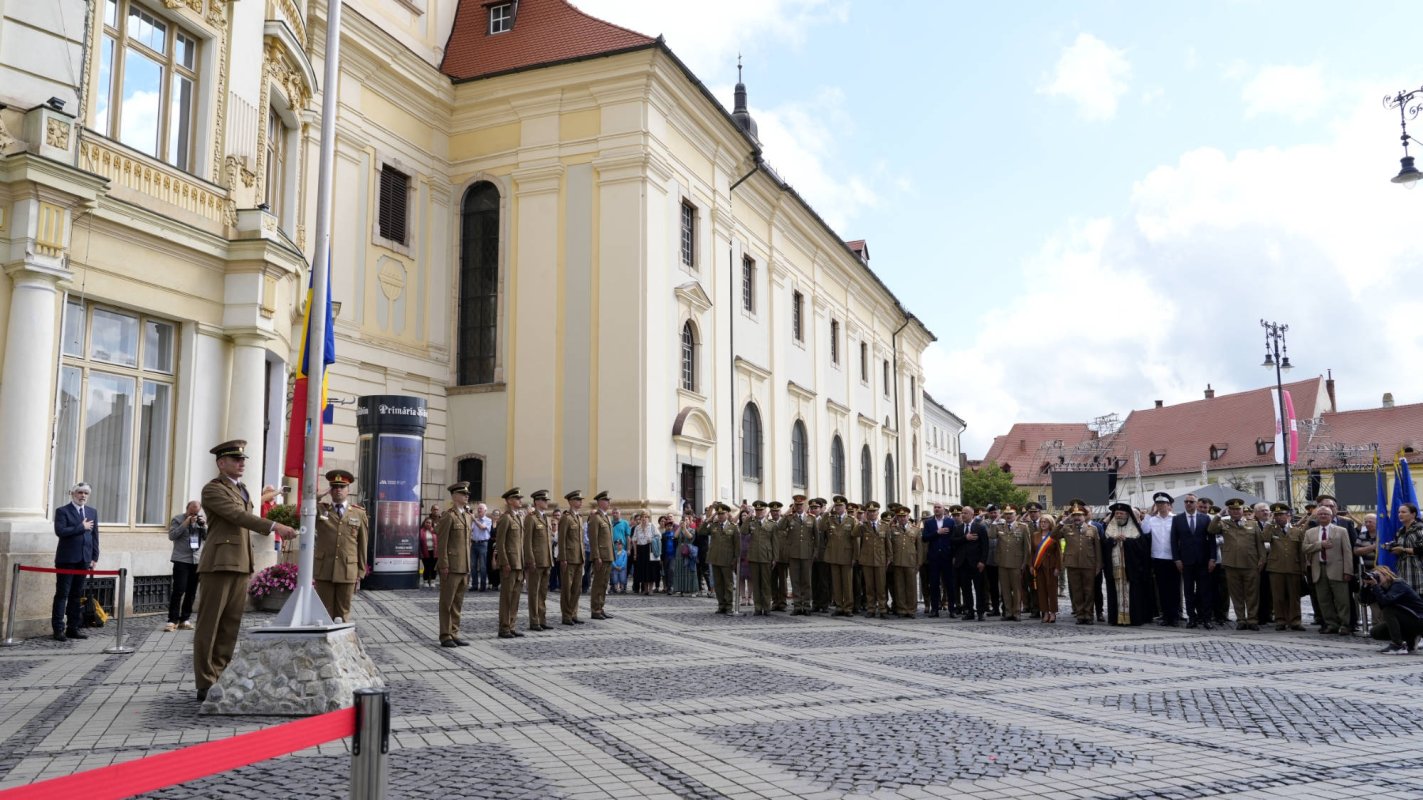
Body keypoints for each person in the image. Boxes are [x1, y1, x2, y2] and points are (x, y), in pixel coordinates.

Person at [194, 441, 294, 702]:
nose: (242, 463)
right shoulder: (214, 489)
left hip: (240, 561)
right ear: (221, 463)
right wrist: (275, 525)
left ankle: (222, 673)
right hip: (219, 562)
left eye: (243, 459)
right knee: (210, 624)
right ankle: (205, 681)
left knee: (230, 625)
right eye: (235, 459)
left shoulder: (243, 490)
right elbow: (238, 516)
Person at [314, 470, 369, 623]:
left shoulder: (358, 513)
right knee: (324, 612)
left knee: (343, 613)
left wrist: (360, 571)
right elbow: (299, 512)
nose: (338, 489)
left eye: (342, 486)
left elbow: (362, 544)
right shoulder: (321, 509)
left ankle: (342, 643)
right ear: (330, 490)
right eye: (334, 486)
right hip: (324, 569)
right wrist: (318, 496)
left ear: (348, 490)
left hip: (347, 569)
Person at [53, 482, 100, 642]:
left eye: (86, 493)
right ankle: (58, 629)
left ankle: (73, 628)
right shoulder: (62, 511)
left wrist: (94, 557)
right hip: (67, 559)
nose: (83, 496)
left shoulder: (92, 512)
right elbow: (60, 531)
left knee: (76, 595)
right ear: (73, 494)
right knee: (62, 594)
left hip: (84, 559)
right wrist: (81, 527)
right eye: (80, 492)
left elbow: (95, 536)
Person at [1210, 498, 1265, 630]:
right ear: (1229, 510)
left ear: (1242, 510)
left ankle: (1252, 620)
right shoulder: (1224, 523)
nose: (1235, 512)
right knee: (1236, 595)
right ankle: (1241, 619)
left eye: (1238, 509)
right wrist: (1219, 515)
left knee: (1252, 594)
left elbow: (1260, 544)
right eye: (1232, 509)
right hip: (1231, 565)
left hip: (1250, 564)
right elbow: (1211, 529)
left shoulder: (1253, 524)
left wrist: (1262, 559)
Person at [1101, 503, 1155, 626]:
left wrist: (1127, 541)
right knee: (1114, 592)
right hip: (1115, 566)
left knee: (1133, 593)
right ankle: (1116, 619)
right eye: (1117, 513)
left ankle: (1133, 618)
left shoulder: (1134, 528)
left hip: (1131, 568)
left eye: (1121, 513)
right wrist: (1113, 539)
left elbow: (1142, 548)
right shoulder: (1110, 527)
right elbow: (1104, 545)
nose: (1119, 515)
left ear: (1127, 514)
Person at [1304, 505, 1354, 635]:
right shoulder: (1310, 532)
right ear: (1316, 516)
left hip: (1338, 569)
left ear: (1331, 516)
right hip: (1319, 569)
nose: (1323, 516)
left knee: (1342, 600)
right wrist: (1320, 545)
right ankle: (1331, 624)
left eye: (1326, 514)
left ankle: (1345, 624)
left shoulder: (1341, 530)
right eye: (1320, 514)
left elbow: (1347, 552)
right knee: (1324, 600)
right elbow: (1304, 548)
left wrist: (1348, 570)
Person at [435, 482, 473, 646]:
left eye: (467, 494)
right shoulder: (448, 516)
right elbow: (442, 543)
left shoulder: (467, 516)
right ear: (455, 496)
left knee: (458, 602)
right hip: (451, 566)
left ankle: (454, 632)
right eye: (463, 494)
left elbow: (467, 543)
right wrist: (443, 564)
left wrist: (468, 565)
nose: (466, 496)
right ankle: (445, 635)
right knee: (447, 602)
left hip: (463, 566)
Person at [1361, 565, 1423, 654]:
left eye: (1378, 575)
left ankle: (1397, 645)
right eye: (1374, 576)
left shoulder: (1398, 583)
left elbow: (1386, 601)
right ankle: (1411, 637)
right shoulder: (1381, 588)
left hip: (1419, 619)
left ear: (1386, 574)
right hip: (1409, 620)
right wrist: (1365, 586)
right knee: (1375, 632)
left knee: (1389, 609)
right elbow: (1364, 601)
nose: (1376, 578)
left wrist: (1375, 585)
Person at [1263, 502, 1306, 631]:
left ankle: (1295, 621)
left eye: (1281, 515)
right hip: (1276, 568)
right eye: (1276, 515)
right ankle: (1280, 620)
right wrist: (1269, 522)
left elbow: (1301, 551)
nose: (1278, 517)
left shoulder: (1296, 531)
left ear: (1288, 516)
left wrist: (1303, 569)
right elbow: (1263, 538)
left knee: (1294, 596)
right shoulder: (1271, 529)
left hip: (1294, 567)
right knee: (1278, 596)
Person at [164, 500, 204, 632]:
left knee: (191, 591)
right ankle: (172, 620)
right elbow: (172, 536)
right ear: (187, 509)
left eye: (196, 512)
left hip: (196, 560)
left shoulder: (201, 520)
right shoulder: (177, 519)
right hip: (181, 559)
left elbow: (208, 537)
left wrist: (204, 526)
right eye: (192, 511)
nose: (194, 514)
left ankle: (185, 619)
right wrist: (185, 523)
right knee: (179, 590)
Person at [494, 487, 526, 638]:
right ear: (509, 501)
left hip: (519, 563)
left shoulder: (518, 517)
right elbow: (500, 543)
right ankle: (504, 627)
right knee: (507, 597)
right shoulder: (505, 518)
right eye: (517, 498)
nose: (520, 501)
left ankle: (512, 625)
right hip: (510, 563)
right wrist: (505, 562)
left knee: (515, 596)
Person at [1060, 505, 1100, 625]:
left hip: (1089, 564)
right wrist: (1062, 521)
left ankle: (1089, 614)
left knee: (1089, 591)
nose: (1077, 517)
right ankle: (1080, 614)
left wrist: (1098, 565)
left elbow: (1097, 548)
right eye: (1074, 515)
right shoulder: (1067, 529)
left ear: (1084, 516)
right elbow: (1053, 535)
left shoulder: (1092, 529)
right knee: (1077, 591)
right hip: (1073, 564)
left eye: (1079, 515)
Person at [991, 505, 1032, 622]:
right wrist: (995, 521)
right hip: (1003, 563)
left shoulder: (1023, 527)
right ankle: (1008, 612)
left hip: (1016, 563)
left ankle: (1017, 612)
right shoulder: (999, 526)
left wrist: (1024, 563)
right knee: (1005, 590)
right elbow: (991, 535)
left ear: (1016, 515)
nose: (1008, 516)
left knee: (1017, 589)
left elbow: (1027, 547)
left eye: (1011, 514)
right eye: (1006, 514)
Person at [952, 505, 988, 621]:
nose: (963, 515)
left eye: (965, 513)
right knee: (966, 589)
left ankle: (981, 611)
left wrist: (982, 561)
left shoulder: (980, 527)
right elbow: (953, 542)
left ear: (972, 515)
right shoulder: (958, 528)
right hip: (963, 563)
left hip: (976, 563)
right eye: (962, 513)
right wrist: (965, 538)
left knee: (979, 588)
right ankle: (969, 611)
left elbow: (985, 546)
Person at [706, 503, 740, 614]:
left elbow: (737, 545)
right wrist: (710, 517)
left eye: (722, 513)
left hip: (727, 560)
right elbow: (701, 531)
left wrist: (735, 559)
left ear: (727, 514)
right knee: (718, 584)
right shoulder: (713, 526)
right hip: (715, 559)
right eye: (719, 513)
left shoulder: (733, 527)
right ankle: (721, 605)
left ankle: (729, 605)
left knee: (728, 584)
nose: (720, 516)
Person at [558, 490, 586, 625]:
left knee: (577, 588)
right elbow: (562, 539)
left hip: (578, 557)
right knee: (567, 589)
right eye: (577, 500)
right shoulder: (566, 518)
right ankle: (566, 615)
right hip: (568, 558)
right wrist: (562, 558)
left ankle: (574, 612)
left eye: (580, 500)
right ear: (570, 502)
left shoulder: (579, 517)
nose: (580, 502)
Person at [858, 502, 890, 618]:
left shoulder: (884, 526)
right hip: (867, 560)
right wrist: (860, 523)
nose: (872, 514)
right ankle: (871, 608)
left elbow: (888, 543)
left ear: (878, 512)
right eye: (869, 512)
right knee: (869, 587)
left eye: (874, 511)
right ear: (867, 513)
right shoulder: (863, 526)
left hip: (880, 559)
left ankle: (882, 609)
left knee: (881, 587)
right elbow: (855, 535)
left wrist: (889, 557)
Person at [744, 501, 776, 615]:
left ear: (765, 511)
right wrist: (748, 518)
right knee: (756, 583)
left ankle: (767, 607)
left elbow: (775, 542)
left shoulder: (771, 524)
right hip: (754, 556)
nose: (759, 512)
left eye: (761, 510)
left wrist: (774, 558)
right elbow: (743, 531)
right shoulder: (751, 522)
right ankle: (758, 607)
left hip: (766, 556)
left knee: (766, 584)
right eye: (757, 510)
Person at [922, 504, 954, 618]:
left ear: (943, 509)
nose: (936, 509)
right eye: (935, 507)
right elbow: (924, 538)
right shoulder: (929, 523)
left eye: (939, 507)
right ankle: (934, 609)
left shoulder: (950, 522)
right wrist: (937, 532)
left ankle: (952, 609)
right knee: (934, 584)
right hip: (934, 557)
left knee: (949, 584)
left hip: (947, 556)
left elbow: (953, 538)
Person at [588, 491, 615, 619]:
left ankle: (600, 607)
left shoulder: (606, 517)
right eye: (606, 500)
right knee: (598, 583)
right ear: (599, 502)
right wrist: (596, 556)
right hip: (601, 556)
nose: (608, 502)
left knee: (604, 584)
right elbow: (593, 539)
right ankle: (595, 609)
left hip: (608, 555)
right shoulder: (595, 518)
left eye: (608, 500)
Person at [1031, 515, 1061, 623]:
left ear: (1051, 523)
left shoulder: (1054, 535)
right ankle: (1045, 612)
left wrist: (1058, 567)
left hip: (1051, 566)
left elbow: (1058, 553)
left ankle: (1053, 613)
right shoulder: (1035, 535)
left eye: (1046, 522)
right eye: (1041, 522)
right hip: (1039, 566)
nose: (1043, 524)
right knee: (1041, 591)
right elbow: (1032, 552)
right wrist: (1031, 565)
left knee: (1052, 591)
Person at [1386, 503, 1423, 587]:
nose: (1400, 514)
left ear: (1413, 514)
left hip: (1418, 575)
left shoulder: (1420, 528)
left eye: (1403, 512)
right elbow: (1400, 548)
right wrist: (1394, 549)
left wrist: (1403, 549)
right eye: (1399, 512)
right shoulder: (1400, 531)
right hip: (1403, 573)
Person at [671, 517, 699, 596]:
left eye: (686, 520)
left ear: (689, 521)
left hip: (689, 551)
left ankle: (693, 590)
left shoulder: (692, 529)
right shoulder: (678, 529)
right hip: (679, 551)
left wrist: (685, 528)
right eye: (683, 520)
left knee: (690, 570)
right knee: (680, 570)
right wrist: (680, 527)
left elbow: (690, 537)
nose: (684, 522)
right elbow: (675, 536)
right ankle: (681, 589)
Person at [470, 502, 492, 591]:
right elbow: (470, 530)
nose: (479, 510)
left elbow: (482, 527)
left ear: (485, 511)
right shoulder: (474, 520)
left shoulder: (488, 520)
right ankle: (474, 585)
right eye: (478, 508)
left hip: (483, 544)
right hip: (474, 543)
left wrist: (474, 520)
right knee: (473, 565)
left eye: (481, 509)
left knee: (483, 566)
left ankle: (483, 586)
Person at [419, 507, 440, 589]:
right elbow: (420, 543)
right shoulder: (421, 531)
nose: (428, 524)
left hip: (434, 552)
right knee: (427, 567)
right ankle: (425, 581)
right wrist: (420, 552)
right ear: (425, 523)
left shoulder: (434, 531)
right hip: (425, 551)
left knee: (434, 567)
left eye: (429, 523)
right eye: (427, 522)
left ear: (432, 524)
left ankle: (433, 581)